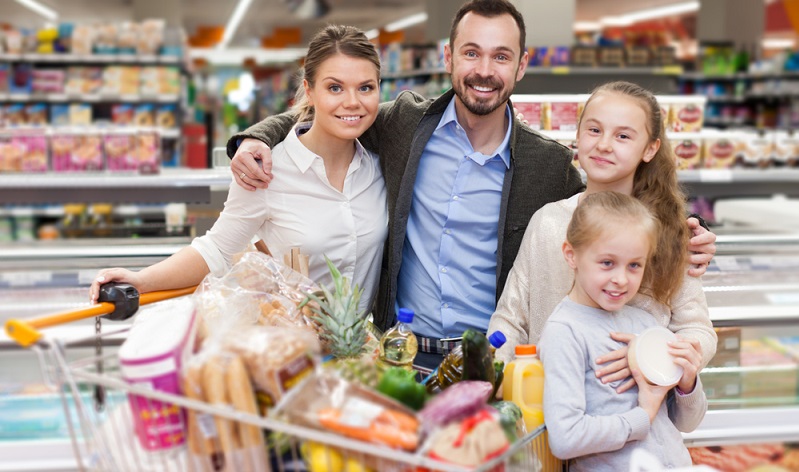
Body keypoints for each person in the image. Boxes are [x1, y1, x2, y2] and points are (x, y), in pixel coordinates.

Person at [225, 0, 716, 368]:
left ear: (522, 65)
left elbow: (610, 210)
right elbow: (331, 114)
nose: (484, 70)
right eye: (472, 53)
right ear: (449, 57)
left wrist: (677, 235)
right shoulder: (403, 126)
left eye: (501, 56)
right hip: (397, 352)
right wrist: (253, 138)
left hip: (493, 359)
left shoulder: (547, 166)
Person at [88, 25, 388, 315]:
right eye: (335, 87)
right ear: (308, 90)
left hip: (364, 355)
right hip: (292, 352)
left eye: (365, 88)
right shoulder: (265, 170)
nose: (352, 102)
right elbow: (216, 249)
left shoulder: (381, 166)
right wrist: (141, 279)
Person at [489, 81, 717, 392]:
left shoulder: (667, 231)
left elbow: (697, 330)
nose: (604, 145)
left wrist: (649, 356)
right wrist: (501, 391)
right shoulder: (548, 221)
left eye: (623, 136)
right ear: (577, 136)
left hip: (634, 414)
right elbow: (510, 320)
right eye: (594, 130)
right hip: (545, 412)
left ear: (650, 148)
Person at [540, 191, 706, 471]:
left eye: (634, 265)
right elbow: (565, 437)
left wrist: (687, 384)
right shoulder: (564, 331)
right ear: (571, 255)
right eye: (607, 263)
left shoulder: (645, 324)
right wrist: (642, 416)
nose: (620, 279)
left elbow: (686, 423)